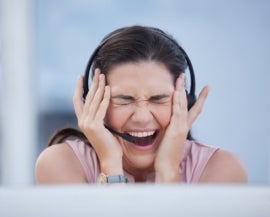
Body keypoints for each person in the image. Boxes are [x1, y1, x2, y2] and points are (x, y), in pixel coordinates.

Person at [35, 25, 247, 184]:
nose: (142, 117)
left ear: (184, 102)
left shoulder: (222, 169)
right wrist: (110, 167)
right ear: (94, 102)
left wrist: (168, 172)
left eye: (158, 99)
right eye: (124, 100)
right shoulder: (61, 164)